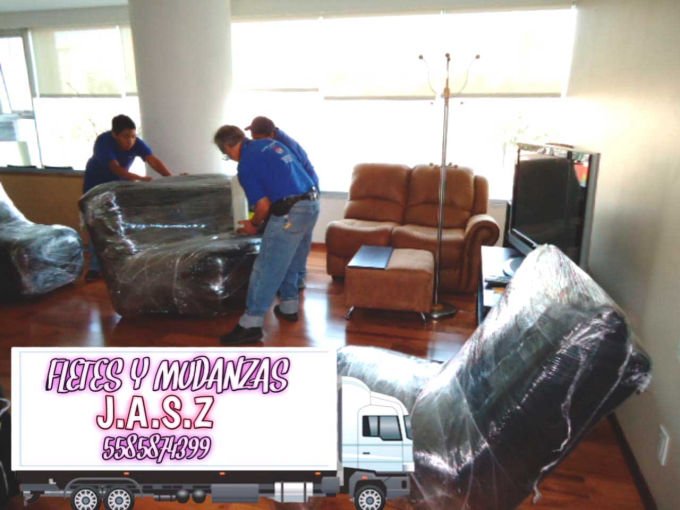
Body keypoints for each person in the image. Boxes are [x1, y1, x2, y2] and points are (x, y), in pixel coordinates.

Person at [213, 125, 320, 345]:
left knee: (266, 267)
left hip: (291, 212)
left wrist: (253, 225)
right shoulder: (271, 144)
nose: (230, 158)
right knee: (291, 258)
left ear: (228, 147)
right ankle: (289, 306)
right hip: (312, 204)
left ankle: (250, 325)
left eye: (226, 155)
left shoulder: (246, 165)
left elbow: (262, 206)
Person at [82, 114, 174, 282]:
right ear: (114, 134)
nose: (130, 141)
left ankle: (121, 262)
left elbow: (152, 160)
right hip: (95, 189)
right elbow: (115, 168)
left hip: (116, 188)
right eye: (125, 137)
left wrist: (170, 178)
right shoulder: (104, 142)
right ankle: (94, 268)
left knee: (120, 225)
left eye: (133, 136)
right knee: (97, 227)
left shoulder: (136, 142)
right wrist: (139, 178)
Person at [245, 116, 319, 291]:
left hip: (302, 194)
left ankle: (294, 283)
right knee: (299, 241)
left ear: (272, 133)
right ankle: (294, 283)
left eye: (258, 139)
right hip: (307, 193)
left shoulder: (281, 146)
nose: (257, 143)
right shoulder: (276, 142)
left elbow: (290, 175)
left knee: (293, 245)